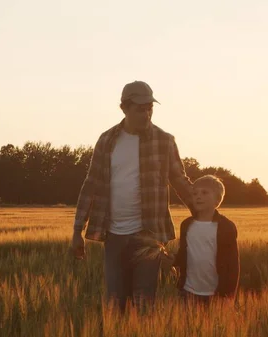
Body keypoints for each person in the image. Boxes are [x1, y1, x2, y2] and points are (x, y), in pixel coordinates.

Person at [70, 80, 194, 312]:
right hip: (114, 235)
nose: (146, 114)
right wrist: (77, 230)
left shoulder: (164, 140)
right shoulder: (106, 140)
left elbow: (180, 180)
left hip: (149, 235)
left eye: (150, 108)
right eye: (140, 108)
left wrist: (204, 212)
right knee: (115, 304)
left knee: (145, 305)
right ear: (124, 108)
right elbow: (91, 184)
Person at [172, 175, 240, 307]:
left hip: (215, 294)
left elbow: (232, 265)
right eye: (195, 193)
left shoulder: (226, 227)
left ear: (217, 200)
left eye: (204, 193)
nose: (198, 196)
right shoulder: (186, 225)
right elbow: (183, 253)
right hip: (188, 291)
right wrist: (171, 260)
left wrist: (228, 295)